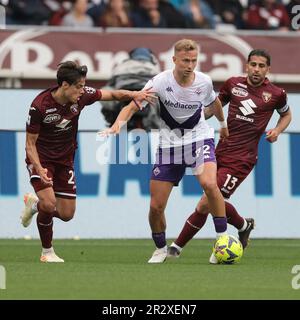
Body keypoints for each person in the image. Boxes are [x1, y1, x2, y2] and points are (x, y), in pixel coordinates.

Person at [100, 39, 229, 263]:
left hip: (199, 139)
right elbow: (132, 105)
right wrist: (116, 126)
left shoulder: (204, 82)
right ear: (174, 60)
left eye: (194, 60)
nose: (190, 65)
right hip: (169, 147)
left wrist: (223, 124)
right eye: (185, 60)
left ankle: (222, 240)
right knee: (156, 206)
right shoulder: (159, 82)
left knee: (209, 184)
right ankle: (160, 249)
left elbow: (215, 103)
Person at [21, 61, 154, 263]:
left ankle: (34, 206)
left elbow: (113, 94)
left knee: (66, 214)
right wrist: (39, 168)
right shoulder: (39, 106)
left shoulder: (82, 96)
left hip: (65, 160)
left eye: (83, 85)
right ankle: (47, 252)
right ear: (64, 85)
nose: (82, 90)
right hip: (42, 159)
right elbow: (30, 145)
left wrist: (134, 95)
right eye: (78, 86)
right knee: (49, 204)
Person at [167, 49, 292, 263]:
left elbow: (287, 114)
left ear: (268, 69)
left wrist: (277, 131)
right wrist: (191, 118)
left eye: (261, 66)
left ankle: (176, 247)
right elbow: (214, 107)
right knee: (210, 201)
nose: (256, 69)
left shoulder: (276, 93)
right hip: (219, 151)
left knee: (206, 203)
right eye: (253, 64)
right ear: (247, 65)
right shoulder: (233, 84)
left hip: (242, 159)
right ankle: (244, 225)